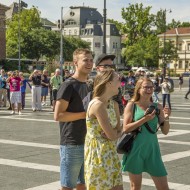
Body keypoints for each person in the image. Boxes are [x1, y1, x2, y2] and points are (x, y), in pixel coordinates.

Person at [54, 48, 93, 190]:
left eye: (91, 60)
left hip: (88, 140)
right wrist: (85, 114)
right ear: (75, 62)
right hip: (71, 142)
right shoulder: (68, 85)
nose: (89, 63)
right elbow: (58, 115)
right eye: (85, 60)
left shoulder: (89, 85)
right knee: (68, 186)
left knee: (83, 183)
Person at [122, 77, 171, 190]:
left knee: (163, 187)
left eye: (151, 87)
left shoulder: (157, 106)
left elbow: (165, 131)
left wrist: (167, 118)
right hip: (135, 149)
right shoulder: (132, 105)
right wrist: (145, 119)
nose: (149, 89)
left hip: (152, 149)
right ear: (139, 89)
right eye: (146, 87)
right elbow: (126, 128)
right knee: (135, 187)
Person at [85, 70, 123, 190]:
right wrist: (114, 134)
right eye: (118, 80)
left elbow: (118, 131)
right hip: (98, 155)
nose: (121, 84)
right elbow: (113, 134)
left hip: (111, 153)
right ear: (108, 83)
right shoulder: (97, 105)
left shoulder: (113, 104)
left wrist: (115, 134)